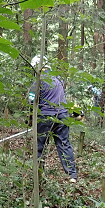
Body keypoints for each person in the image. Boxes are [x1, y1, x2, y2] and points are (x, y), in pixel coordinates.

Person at [28, 55, 78, 183]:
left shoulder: (38, 81)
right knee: (64, 144)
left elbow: (31, 100)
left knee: (40, 146)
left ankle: (38, 176)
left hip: (45, 117)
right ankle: (72, 176)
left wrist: (30, 118)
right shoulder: (59, 80)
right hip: (62, 115)